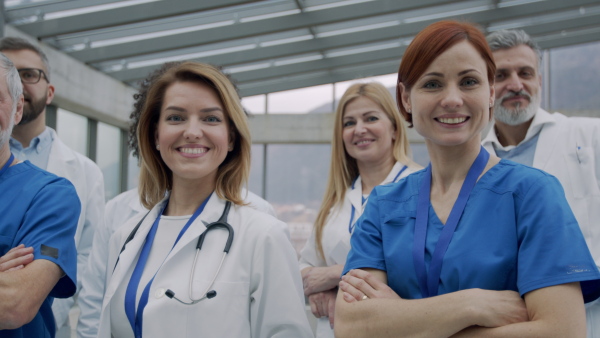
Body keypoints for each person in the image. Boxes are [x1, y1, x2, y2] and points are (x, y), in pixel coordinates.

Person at [334, 20, 600, 337]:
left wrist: (401, 321)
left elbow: (563, 331)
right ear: (406, 99)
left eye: (469, 82)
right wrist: (471, 305)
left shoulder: (532, 193)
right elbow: (352, 326)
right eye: (432, 84)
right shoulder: (384, 205)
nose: (452, 99)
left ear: (490, 93)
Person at [95, 62, 312, 338]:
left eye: (210, 119)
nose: (192, 132)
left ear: (231, 137)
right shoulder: (125, 237)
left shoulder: (263, 236)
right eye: (176, 118)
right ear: (156, 136)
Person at [481, 29, 600, 337]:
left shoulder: (589, 137)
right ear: (486, 87)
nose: (516, 84)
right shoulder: (472, 160)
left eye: (526, 73)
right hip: (508, 320)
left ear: (540, 81)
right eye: (502, 75)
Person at [0, 37, 106, 337]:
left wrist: (36, 293)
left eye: (29, 74)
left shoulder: (55, 189)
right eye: (12, 72)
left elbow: (87, 258)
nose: (21, 81)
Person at [298, 82, 420, 337]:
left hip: (398, 327)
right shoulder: (337, 199)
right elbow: (305, 266)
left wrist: (336, 275)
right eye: (349, 123)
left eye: (371, 118)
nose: (359, 129)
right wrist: (325, 289)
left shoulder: (422, 188)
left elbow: (416, 266)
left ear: (395, 129)